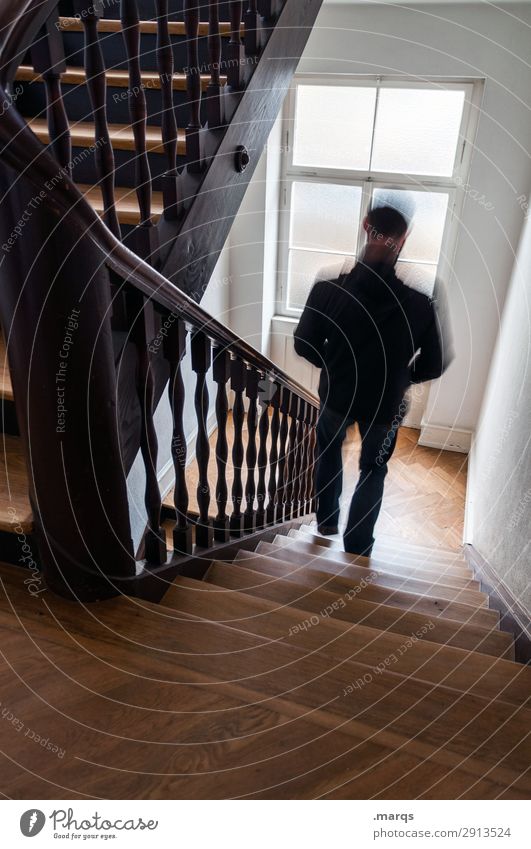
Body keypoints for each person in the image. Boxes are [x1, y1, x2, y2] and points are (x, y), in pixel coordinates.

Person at [293, 204, 451, 556]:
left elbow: (303, 343)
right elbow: (436, 363)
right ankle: (358, 544)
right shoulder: (420, 304)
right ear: (403, 240)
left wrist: (332, 363)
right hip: (386, 405)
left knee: (328, 451)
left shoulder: (327, 291)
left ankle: (327, 521)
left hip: (337, 396)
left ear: (367, 228)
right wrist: (403, 377)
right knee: (374, 469)